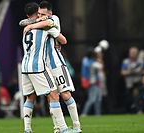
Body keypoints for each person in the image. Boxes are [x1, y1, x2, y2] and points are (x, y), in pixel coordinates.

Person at [19, 1, 82, 133]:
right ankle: (59, 128)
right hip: (41, 66)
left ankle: (76, 126)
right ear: (36, 14)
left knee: (65, 95)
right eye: (39, 14)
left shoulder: (52, 19)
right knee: (51, 95)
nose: (42, 16)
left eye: (44, 14)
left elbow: (63, 40)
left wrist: (31, 25)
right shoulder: (40, 26)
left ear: (50, 13)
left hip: (55, 64)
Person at [81, 47, 107, 116]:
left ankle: (98, 114)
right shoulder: (87, 60)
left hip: (97, 81)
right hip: (91, 82)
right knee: (92, 99)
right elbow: (99, 66)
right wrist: (99, 59)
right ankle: (84, 114)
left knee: (98, 99)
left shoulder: (91, 60)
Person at [121, 46, 144, 112]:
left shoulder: (140, 61)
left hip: (138, 82)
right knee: (128, 98)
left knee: (137, 96)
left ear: (137, 53)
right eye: (132, 52)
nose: (133, 54)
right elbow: (122, 72)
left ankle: (139, 110)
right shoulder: (126, 61)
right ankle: (129, 111)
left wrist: (139, 72)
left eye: (134, 52)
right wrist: (131, 72)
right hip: (129, 83)